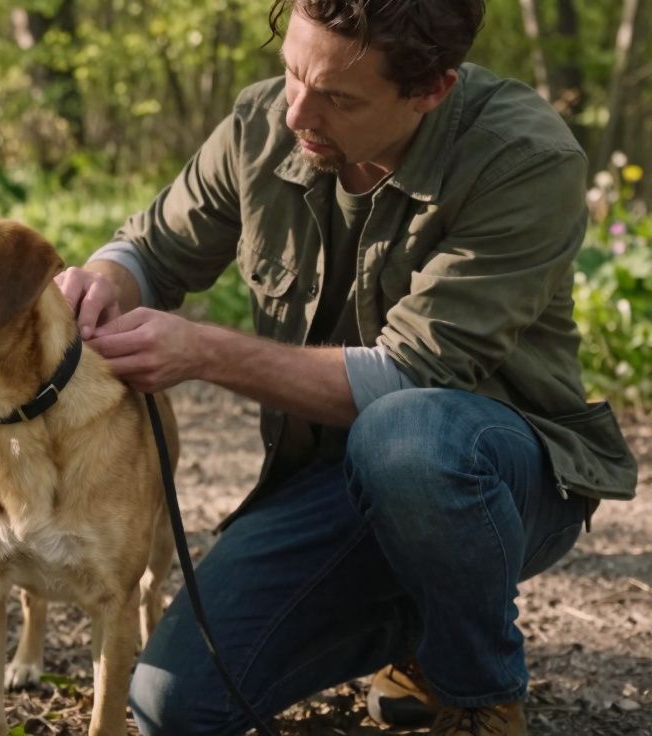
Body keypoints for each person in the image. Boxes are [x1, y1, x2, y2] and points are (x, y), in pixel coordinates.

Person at [54, 1, 638, 735]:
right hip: (330, 485)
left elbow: (408, 374)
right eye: (293, 71)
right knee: (174, 709)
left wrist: (204, 350)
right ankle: (421, 619)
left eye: (338, 97)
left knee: (407, 437)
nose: (299, 110)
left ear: (432, 90)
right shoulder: (265, 120)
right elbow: (151, 248)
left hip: (497, 474)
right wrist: (104, 280)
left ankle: (476, 691)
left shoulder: (523, 158)